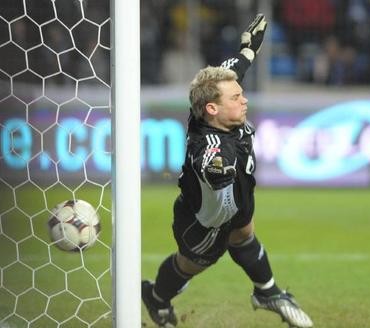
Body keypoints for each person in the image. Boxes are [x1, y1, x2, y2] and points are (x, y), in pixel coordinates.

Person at [141, 14, 313, 328]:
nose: (244, 99)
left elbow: (230, 72)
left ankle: (268, 291)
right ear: (213, 109)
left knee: (245, 234)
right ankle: (156, 297)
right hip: (205, 221)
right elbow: (208, 161)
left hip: (238, 197)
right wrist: (218, 171)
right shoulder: (209, 143)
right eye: (236, 97)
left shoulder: (211, 108)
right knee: (190, 265)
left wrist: (248, 51)